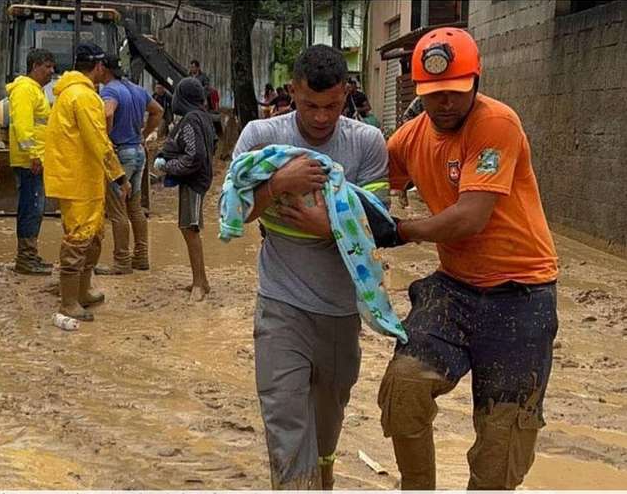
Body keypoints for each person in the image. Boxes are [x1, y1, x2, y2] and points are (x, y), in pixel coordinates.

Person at [374, 27, 559, 490]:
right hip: (455, 287)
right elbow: (369, 186)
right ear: (419, 91)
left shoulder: (497, 124)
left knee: (502, 446)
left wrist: (400, 231)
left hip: (521, 294)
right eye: (435, 94)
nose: (446, 104)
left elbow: (469, 218)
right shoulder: (408, 140)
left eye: (456, 92)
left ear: (476, 81)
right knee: (404, 387)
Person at [232, 44, 390, 490]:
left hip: (341, 313)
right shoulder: (261, 137)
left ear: (347, 95)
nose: (321, 117)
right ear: (292, 92)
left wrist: (331, 227)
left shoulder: (365, 142)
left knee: (328, 420)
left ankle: (323, 475)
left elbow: (381, 224)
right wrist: (278, 184)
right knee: (286, 424)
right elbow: (234, 211)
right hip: (281, 305)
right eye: (310, 105)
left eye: (332, 106)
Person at [43, 43, 128, 321]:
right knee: (79, 239)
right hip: (80, 180)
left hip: (74, 177)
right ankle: (69, 301)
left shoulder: (68, 94)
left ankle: (82, 291)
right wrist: (119, 174)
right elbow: (98, 141)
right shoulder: (85, 97)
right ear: (99, 66)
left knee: (91, 236)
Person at [96, 54, 163, 275]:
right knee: (135, 207)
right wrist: (144, 133)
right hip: (138, 151)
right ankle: (141, 257)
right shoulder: (137, 89)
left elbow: (107, 112)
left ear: (103, 69)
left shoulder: (110, 90)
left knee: (117, 210)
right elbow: (158, 111)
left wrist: (106, 139)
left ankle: (122, 261)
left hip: (121, 153)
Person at [153, 78, 217, 302]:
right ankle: (199, 280)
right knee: (188, 227)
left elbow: (194, 155)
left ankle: (200, 282)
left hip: (194, 180)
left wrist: (168, 166)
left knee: (190, 228)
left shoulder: (191, 120)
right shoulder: (203, 116)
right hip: (197, 178)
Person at [7, 48, 56, 275]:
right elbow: (23, 126)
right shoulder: (25, 89)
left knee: (35, 208)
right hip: (30, 161)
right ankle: (25, 258)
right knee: (31, 208)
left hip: (35, 159)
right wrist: (33, 155)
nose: (51, 71)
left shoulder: (35, 91)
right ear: (35, 65)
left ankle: (30, 255)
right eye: (47, 66)